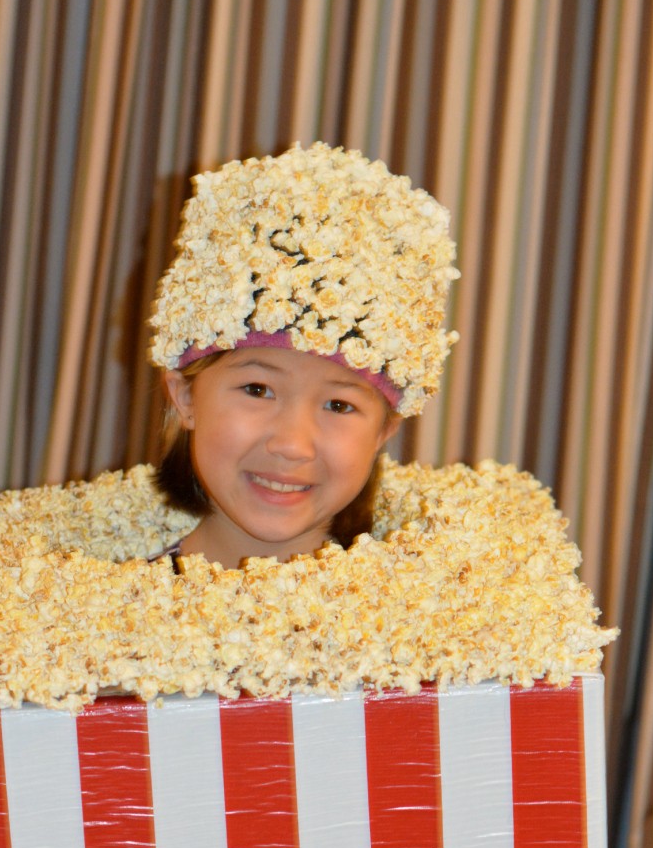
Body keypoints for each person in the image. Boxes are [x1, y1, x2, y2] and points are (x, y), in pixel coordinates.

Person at [147, 141, 458, 567]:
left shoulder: (431, 623)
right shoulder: (99, 617)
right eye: (257, 389)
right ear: (185, 398)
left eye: (339, 405)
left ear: (384, 430)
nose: (293, 445)